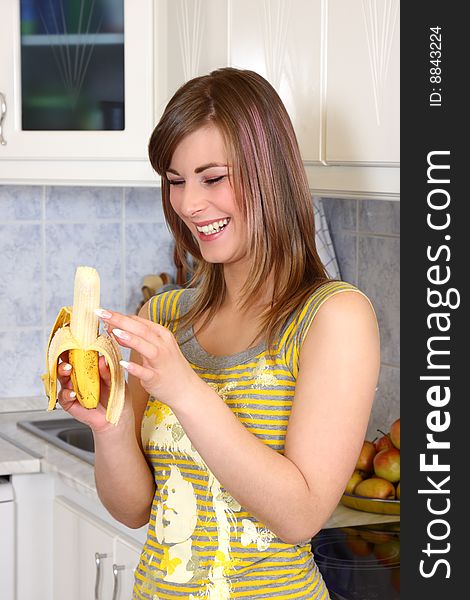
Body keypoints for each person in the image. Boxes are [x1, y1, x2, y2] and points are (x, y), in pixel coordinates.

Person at [57, 67, 380, 599]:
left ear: (268, 174)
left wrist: (184, 389)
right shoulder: (165, 317)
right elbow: (134, 509)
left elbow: (299, 516)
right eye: (176, 181)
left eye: (212, 178)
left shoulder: (332, 318)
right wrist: (109, 425)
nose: (188, 205)